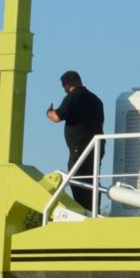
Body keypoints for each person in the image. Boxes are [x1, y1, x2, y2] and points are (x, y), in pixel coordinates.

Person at [45, 69, 106, 209]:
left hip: (81, 148)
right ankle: (94, 210)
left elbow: (57, 117)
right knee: (93, 180)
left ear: (67, 85)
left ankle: (83, 211)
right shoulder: (96, 100)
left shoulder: (73, 97)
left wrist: (48, 112)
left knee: (78, 181)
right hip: (97, 147)